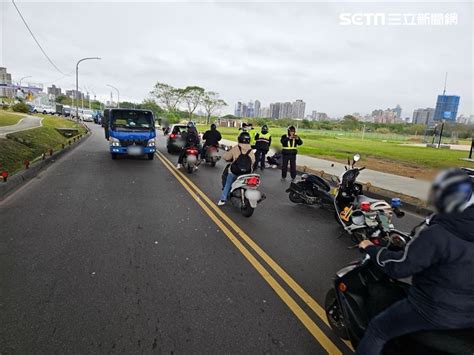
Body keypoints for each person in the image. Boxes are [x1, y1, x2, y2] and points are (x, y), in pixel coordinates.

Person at [356, 168, 474, 355]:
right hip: (469, 312)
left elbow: (400, 267)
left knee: (378, 329)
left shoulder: (438, 233)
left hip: (434, 309)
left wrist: (371, 248)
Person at [217, 131, 255, 206]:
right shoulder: (250, 150)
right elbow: (253, 161)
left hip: (235, 172)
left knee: (228, 183)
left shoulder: (236, 148)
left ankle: (223, 199)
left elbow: (226, 157)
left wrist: (227, 158)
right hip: (247, 173)